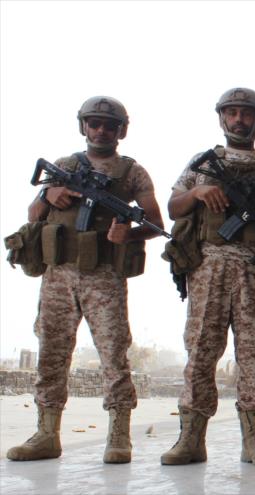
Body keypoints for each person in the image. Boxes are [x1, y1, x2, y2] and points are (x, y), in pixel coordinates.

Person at [6, 96, 164, 464]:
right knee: (51, 354)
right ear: (84, 126)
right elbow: (33, 215)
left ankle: (119, 436)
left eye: (110, 125)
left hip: (104, 277)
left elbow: (156, 225)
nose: (101, 130)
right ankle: (46, 434)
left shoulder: (132, 173)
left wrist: (130, 235)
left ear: (121, 130)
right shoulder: (64, 166)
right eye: (94, 123)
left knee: (114, 355)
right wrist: (48, 193)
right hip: (58, 275)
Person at [160, 88, 255, 467]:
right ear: (222, 118)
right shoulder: (202, 163)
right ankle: (191, 439)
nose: (239, 120)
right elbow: (174, 206)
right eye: (232, 113)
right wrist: (199, 192)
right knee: (201, 352)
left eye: (247, 114)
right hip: (208, 268)